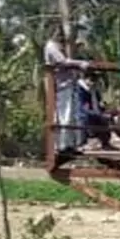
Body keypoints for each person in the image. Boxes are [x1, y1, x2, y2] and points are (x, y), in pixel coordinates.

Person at [44, 28, 89, 157]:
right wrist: (81, 63)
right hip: (62, 86)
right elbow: (62, 62)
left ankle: (71, 144)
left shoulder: (59, 46)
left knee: (72, 117)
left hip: (69, 84)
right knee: (65, 116)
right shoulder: (51, 46)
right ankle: (63, 145)